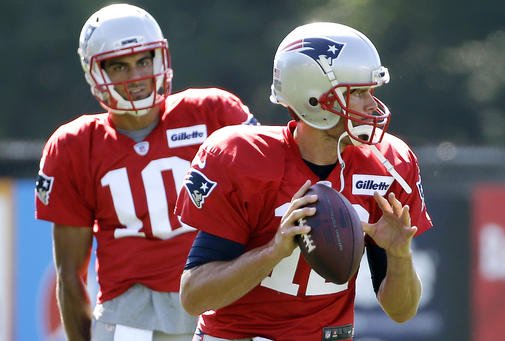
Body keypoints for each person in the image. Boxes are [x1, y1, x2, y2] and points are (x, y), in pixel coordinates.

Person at [176, 22, 433, 340]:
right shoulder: (243, 158)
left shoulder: (386, 164)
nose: (372, 105)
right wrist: (273, 250)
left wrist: (399, 254)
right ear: (314, 98)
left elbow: (401, 312)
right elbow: (194, 297)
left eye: (371, 92)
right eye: (359, 93)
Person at [34, 4, 258, 341]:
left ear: (161, 58)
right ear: (96, 74)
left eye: (143, 60)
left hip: (218, 298)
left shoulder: (212, 112)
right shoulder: (73, 146)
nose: (135, 76)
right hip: (129, 316)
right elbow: (70, 275)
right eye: (120, 66)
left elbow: (267, 199)